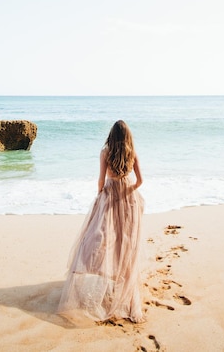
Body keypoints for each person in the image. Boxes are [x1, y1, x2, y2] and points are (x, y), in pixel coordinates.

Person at [57, 120, 145, 324]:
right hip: (128, 200)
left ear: (111, 135)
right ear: (128, 136)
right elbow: (140, 181)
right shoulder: (132, 153)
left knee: (100, 239)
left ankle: (105, 274)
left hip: (110, 197)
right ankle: (127, 289)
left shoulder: (105, 152)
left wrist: (100, 195)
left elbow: (100, 179)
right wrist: (127, 192)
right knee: (126, 244)